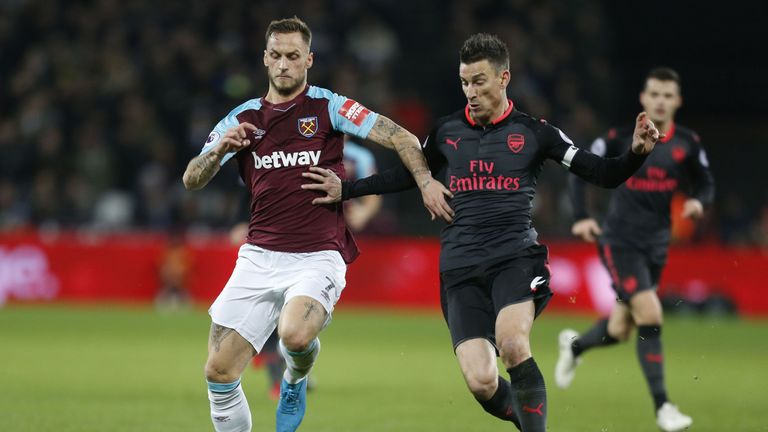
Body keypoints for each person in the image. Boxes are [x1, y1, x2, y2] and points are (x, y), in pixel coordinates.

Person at [301, 33, 661, 431]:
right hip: (460, 266)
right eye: (464, 82)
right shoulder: (446, 132)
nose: (470, 91)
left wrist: (636, 154)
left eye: (479, 81)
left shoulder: (538, 133)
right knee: (481, 380)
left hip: (516, 259)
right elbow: (407, 175)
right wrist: (348, 189)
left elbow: (602, 173)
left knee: (511, 342)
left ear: (503, 78)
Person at [182, 17, 451, 432]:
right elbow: (191, 180)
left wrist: (426, 180)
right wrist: (219, 150)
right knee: (218, 371)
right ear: (265, 59)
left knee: (294, 336)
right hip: (258, 256)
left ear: (309, 59)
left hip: (317, 255)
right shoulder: (242, 118)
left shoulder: (330, 107)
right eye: (276, 55)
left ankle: (295, 377)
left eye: (293, 56)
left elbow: (401, 136)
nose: (284, 64)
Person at [555, 67, 714, 432]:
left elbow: (705, 182)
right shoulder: (618, 137)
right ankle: (664, 407)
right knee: (650, 311)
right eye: (653, 93)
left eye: (667, 95)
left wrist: (699, 202)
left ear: (677, 101)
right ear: (643, 99)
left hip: (656, 244)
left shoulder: (687, 143)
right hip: (619, 241)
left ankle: (575, 347)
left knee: (622, 328)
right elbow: (579, 168)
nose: (660, 100)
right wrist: (581, 216)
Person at [248, 137, 382, 401]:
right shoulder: (303, 149)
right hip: (294, 237)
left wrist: (365, 213)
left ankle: (285, 364)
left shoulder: (360, 157)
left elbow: (373, 193)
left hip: (332, 241)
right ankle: (279, 374)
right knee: (283, 309)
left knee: (303, 310)